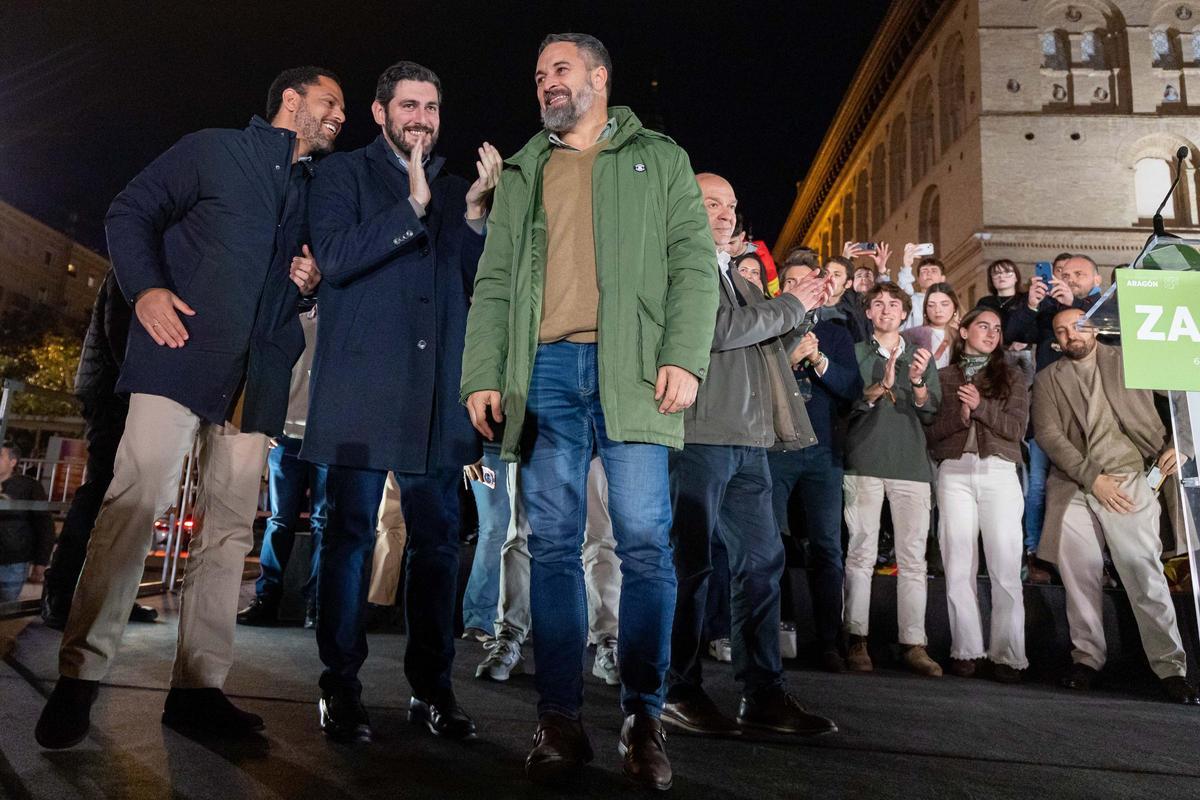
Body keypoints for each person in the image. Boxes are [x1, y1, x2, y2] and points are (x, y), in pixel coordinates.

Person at [35, 66, 344, 750]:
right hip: (177, 359)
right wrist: (145, 289)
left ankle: (198, 692)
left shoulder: (314, 189)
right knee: (131, 507)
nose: (339, 117)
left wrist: (311, 281)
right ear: (291, 101)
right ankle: (79, 678)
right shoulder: (212, 150)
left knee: (228, 535)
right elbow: (130, 209)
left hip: (255, 379)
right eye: (331, 103)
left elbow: (306, 278)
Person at [460, 32, 719, 791]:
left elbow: (693, 267)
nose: (546, 84)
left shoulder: (660, 158)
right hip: (543, 373)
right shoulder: (523, 168)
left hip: (634, 372)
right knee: (551, 546)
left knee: (643, 544)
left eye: (560, 71)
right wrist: (484, 373)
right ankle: (560, 719)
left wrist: (683, 356)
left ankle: (643, 716)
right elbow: (496, 280)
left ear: (599, 79)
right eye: (538, 74)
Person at [301, 60, 499, 744]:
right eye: (409, 105)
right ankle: (340, 685)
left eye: (432, 107)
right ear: (381, 113)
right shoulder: (338, 176)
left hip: (434, 402)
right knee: (348, 537)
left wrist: (473, 218)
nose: (422, 117)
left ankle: (433, 689)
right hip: (359, 396)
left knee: (439, 545)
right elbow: (334, 256)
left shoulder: (453, 189)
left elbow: (474, 288)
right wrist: (408, 208)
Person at [662, 172, 837, 742]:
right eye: (711, 202)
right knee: (690, 567)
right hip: (697, 437)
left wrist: (800, 317)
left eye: (731, 205)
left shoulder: (736, 278)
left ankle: (762, 692)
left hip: (749, 441)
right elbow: (711, 332)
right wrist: (789, 304)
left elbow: (753, 349)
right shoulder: (676, 263)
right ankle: (676, 690)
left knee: (761, 566)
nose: (725, 213)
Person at [1033, 309, 1197, 704]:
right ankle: (1087, 659)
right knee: (1079, 575)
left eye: (1078, 324)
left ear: (1094, 326)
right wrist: (1092, 478)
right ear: (1056, 341)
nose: (1071, 333)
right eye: (1062, 331)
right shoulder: (1048, 379)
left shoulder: (1130, 358)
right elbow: (1049, 435)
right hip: (1076, 484)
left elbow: (1182, 392)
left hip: (1130, 477)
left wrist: (1184, 445)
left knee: (1143, 572)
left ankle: (1171, 668)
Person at [40, 272, 157, 628]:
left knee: (123, 498)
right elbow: (120, 335)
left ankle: (110, 594)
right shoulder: (131, 263)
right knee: (100, 493)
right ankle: (59, 592)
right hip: (113, 393)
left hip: (121, 391)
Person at [767, 261, 863, 672]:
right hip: (774, 450)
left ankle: (828, 641)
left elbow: (851, 388)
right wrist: (789, 359)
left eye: (808, 281)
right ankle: (768, 635)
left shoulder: (837, 333)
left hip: (823, 454)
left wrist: (818, 358)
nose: (800, 286)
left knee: (826, 547)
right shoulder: (767, 326)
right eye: (791, 281)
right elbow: (754, 385)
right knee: (769, 547)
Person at [842, 282, 942, 676]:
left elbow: (931, 411)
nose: (885, 310)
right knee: (861, 552)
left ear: (905, 313)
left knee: (913, 559)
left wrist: (916, 383)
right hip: (864, 460)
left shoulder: (921, 355)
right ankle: (856, 639)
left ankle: (914, 644)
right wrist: (879, 385)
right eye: (878, 304)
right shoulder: (855, 354)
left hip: (911, 467)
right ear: (868, 312)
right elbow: (849, 403)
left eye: (893, 304)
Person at [925, 307, 1029, 682]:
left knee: (1005, 565)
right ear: (964, 330)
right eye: (983, 326)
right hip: (954, 472)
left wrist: (981, 406)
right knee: (958, 564)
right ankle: (966, 650)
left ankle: (1008, 655)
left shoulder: (1013, 375)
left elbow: (1016, 429)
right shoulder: (943, 376)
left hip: (999, 472)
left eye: (997, 329)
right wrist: (961, 418)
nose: (991, 334)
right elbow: (932, 433)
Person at [1006, 252, 1094, 581]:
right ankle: (1036, 554)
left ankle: (1095, 557)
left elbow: (1107, 334)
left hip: (1088, 412)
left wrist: (1074, 305)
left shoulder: (1096, 306)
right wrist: (1031, 303)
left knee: (1084, 481)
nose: (1066, 280)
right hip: (1048, 410)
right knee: (1039, 486)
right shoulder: (1044, 311)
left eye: (1074, 275)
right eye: (1061, 274)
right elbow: (1013, 331)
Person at [237, 305, 325, 629]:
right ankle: (267, 598)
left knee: (323, 521)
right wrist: (267, 420)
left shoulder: (342, 315)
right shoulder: (288, 315)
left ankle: (315, 605)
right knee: (279, 520)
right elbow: (267, 368)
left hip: (324, 436)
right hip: (286, 434)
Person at [0, 443, 54, 602]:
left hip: (13, 563)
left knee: (4, 610)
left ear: (13, 462)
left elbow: (44, 525)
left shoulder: (29, 487)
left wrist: (41, 562)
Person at [977, 259, 1034, 386]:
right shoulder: (985, 302)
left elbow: (1033, 322)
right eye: (996, 273)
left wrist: (1024, 341)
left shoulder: (1026, 299)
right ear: (991, 279)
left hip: (1023, 353)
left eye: (1007, 272)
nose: (1001, 276)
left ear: (1016, 277)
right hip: (994, 352)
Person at [903, 282, 960, 369]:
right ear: (925, 309)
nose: (938, 310)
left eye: (944, 304)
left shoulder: (960, 336)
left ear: (955, 307)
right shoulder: (914, 335)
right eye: (931, 305)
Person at [817, 255, 869, 343]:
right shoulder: (809, 307)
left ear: (848, 284)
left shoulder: (855, 316)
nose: (829, 278)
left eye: (836, 275)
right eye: (826, 273)